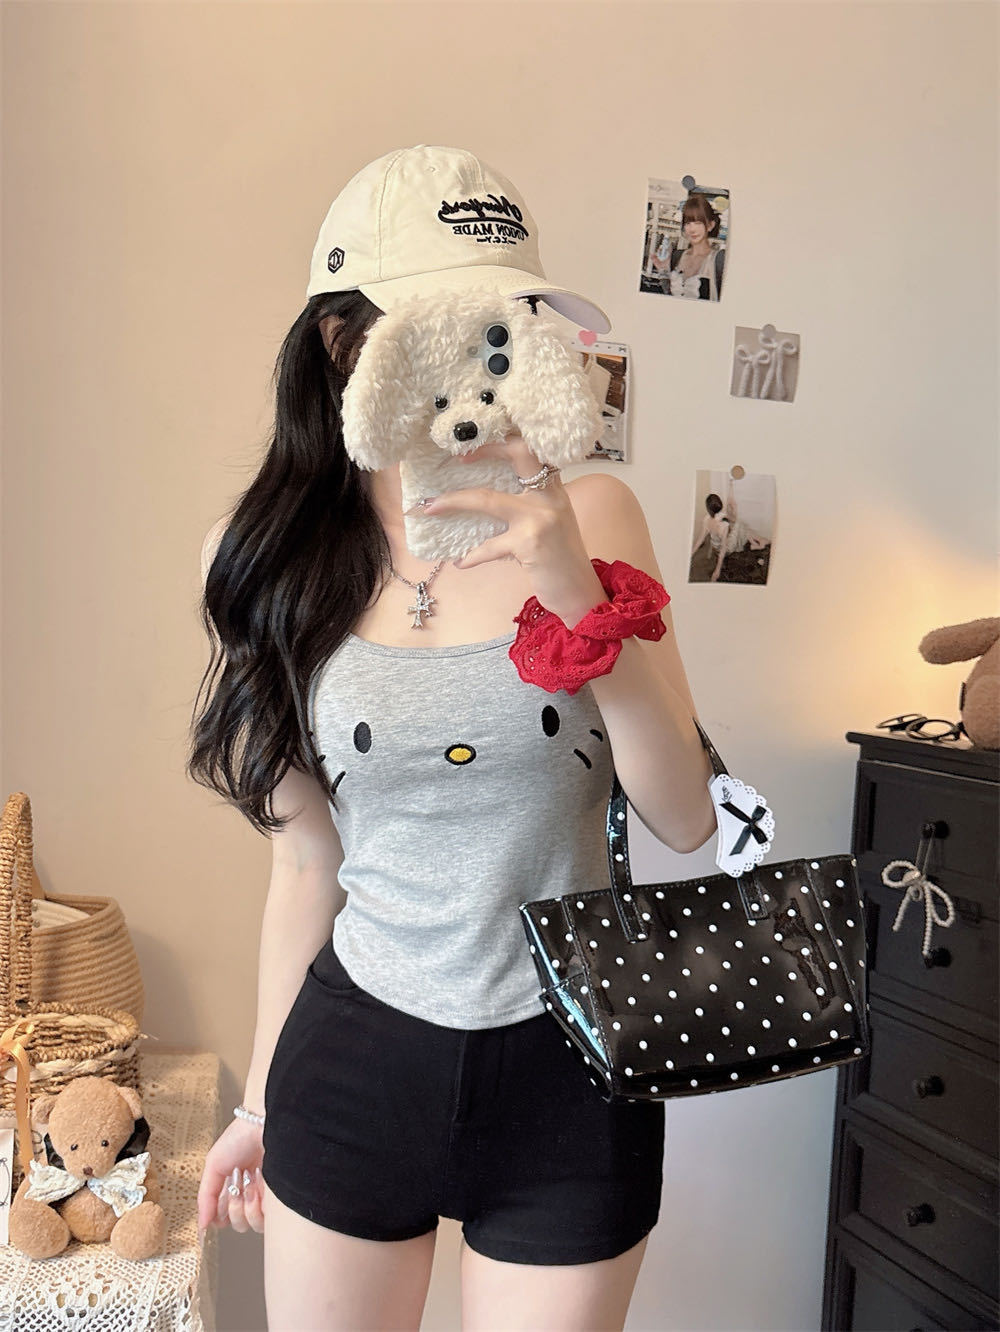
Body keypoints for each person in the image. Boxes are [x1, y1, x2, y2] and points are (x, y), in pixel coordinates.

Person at [189, 144, 716, 1332]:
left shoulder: (594, 512)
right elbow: (305, 865)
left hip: (572, 1075)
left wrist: (574, 588)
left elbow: (682, 818)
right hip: (354, 1065)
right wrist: (261, 1103)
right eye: (444, 331)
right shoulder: (264, 557)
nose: (485, 367)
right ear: (343, 345)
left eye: (506, 329)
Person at [651, 193, 726, 301]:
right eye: (688, 223)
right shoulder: (677, 256)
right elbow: (669, 296)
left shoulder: (719, 259)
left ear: (710, 225)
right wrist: (663, 272)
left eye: (698, 223)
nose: (692, 229)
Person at [690, 480, 769, 582]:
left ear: (709, 509)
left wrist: (690, 554)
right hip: (727, 549)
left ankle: (755, 543)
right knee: (739, 525)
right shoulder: (724, 526)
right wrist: (717, 570)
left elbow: (699, 541)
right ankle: (757, 543)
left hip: (715, 546)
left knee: (739, 525)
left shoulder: (706, 519)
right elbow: (724, 548)